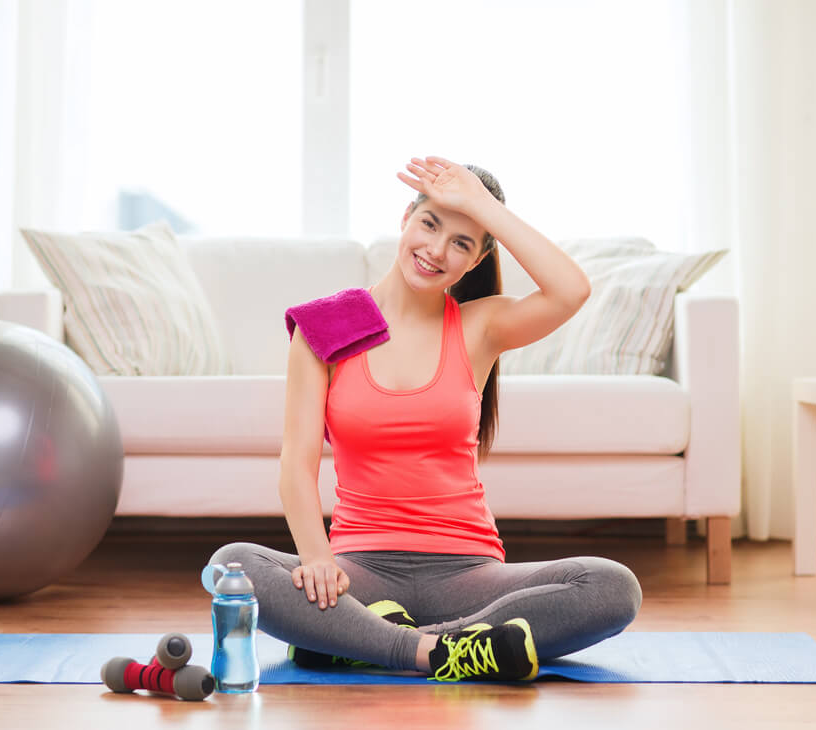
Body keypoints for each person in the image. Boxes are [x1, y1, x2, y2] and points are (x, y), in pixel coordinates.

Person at [210, 156, 642, 682]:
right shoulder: (326, 327)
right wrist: (317, 559)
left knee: (612, 586)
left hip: (468, 571)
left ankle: (365, 640)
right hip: (359, 570)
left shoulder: (481, 327)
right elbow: (295, 463)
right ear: (406, 218)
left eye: (461, 242)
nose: (436, 250)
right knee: (234, 565)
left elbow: (570, 290)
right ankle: (438, 653)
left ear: (477, 258)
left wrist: (480, 205)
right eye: (430, 224)